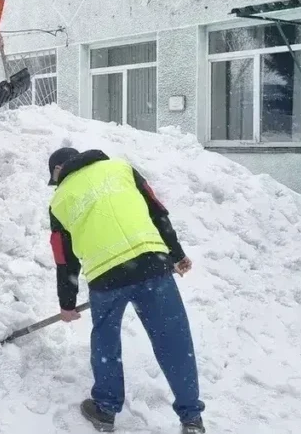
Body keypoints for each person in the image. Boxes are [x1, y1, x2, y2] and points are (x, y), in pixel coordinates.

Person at [46, 147, 206, 434]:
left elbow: (64, 259)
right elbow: (158, 212)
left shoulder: (59, 200)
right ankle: (191, 418)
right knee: (174, 340)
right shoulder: (121, 168)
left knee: (105, 341)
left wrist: (67, 304)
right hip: (153, 264)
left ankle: (105, 410)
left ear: (58, 170)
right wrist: (177, 254)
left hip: (107, 278)